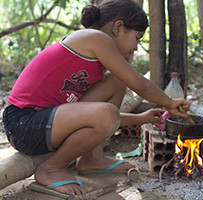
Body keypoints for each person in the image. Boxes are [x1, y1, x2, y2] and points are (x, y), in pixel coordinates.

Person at [2, 0, 190, 196]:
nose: (136, 48)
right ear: (118, 27)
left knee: (115, 83)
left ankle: (92, 158)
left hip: (47, 123)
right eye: (137, 38)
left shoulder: (94, 54)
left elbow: (91, 116)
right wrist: (170, 102)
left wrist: (141, 118)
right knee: (109, 107)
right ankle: (51, 169)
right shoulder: (96, 39)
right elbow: (139, 85)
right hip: (23, 124)